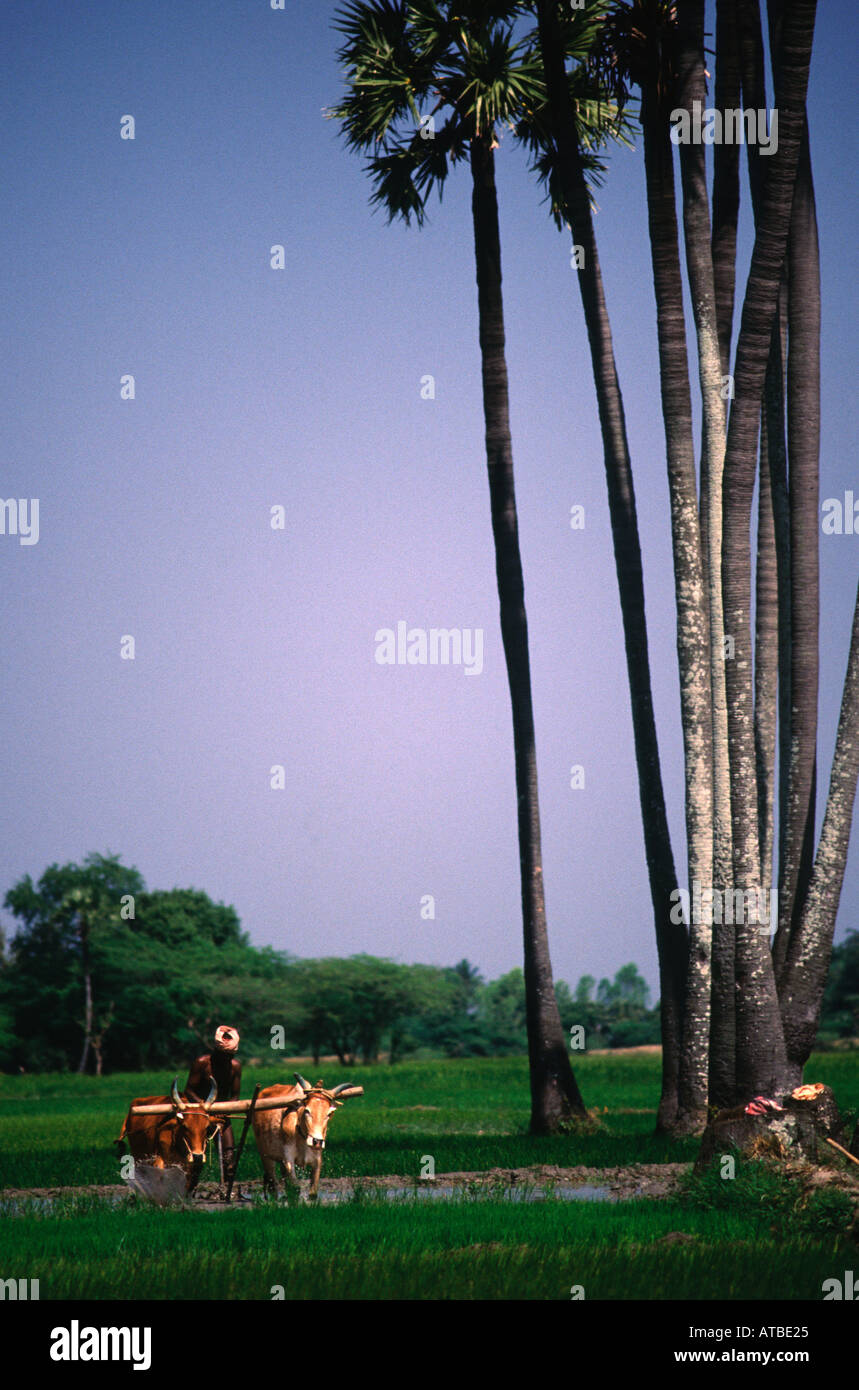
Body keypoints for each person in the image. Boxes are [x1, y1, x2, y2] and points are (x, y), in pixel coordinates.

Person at [185, 1025, 242, 1184]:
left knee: (229, 1159)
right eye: (224, 1055)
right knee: (197, 1161)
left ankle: (227, 1191)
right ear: (216, 1050)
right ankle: (189, 1190)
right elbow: (189, 1091)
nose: (227, 1059)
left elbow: (235, 1096)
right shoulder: (202, 1063)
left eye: (230, 1055)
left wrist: (225, 1110)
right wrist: (205, 1107)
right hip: (200, 1115)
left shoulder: (235, 1067)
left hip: (222, 1115)